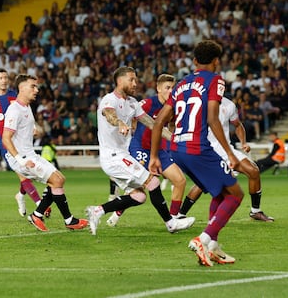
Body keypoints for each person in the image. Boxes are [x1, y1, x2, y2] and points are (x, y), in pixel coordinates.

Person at [149, 40, 245, 267]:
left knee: (219, 194)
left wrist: (154, 156)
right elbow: (213, 118)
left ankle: (213, 247)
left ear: (194, 61)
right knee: (235, 195)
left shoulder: (181, 84)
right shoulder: (215, 80)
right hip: (198, 148)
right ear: (216, 61)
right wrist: (230, 153)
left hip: (177, 149)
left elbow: (160, 121)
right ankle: (203, 239)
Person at [85, 67, 195, 235]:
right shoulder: (109, 99)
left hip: (123, 155)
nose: (135, 83)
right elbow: (109, 113)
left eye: (136, 80)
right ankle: (171, 223)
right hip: (113, 156)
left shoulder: (132, 103)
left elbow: (153, 124)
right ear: (120, 81)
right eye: (131, 80)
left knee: (139, 197)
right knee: (153, 182)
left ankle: (97, 211)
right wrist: (120, 123)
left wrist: (175, 139)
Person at [2, 74, 88, 231]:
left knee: (59, 179)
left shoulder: (26, 106)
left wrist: (32, 129)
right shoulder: (14, 110)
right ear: (21, 88)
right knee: (57, 180)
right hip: (23, 159)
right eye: (33, 86)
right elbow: (5, 139)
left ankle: (38, 215)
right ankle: (68, 221)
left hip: (30, 154)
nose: (37, 90)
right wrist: (20, 160)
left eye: (37, 86)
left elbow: (22, 129)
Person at [177, 96, 274, 222]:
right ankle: (180, 214)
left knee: (253, 171)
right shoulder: (199, 103)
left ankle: (255, 211)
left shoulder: (229, 105)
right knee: (202, 184)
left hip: (227, 150)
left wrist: (243, 142)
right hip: (208, 151)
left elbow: (237, 125)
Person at [0, 68, 49, 218]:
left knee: (26, 173)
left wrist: (34, 126)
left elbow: (26, 111)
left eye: (5, 77)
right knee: (22, 174)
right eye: (0, 78)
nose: (4, 80)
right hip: (5, 143)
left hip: (22, 142)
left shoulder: (14, 96)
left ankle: (20, 195)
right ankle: (39, 203)